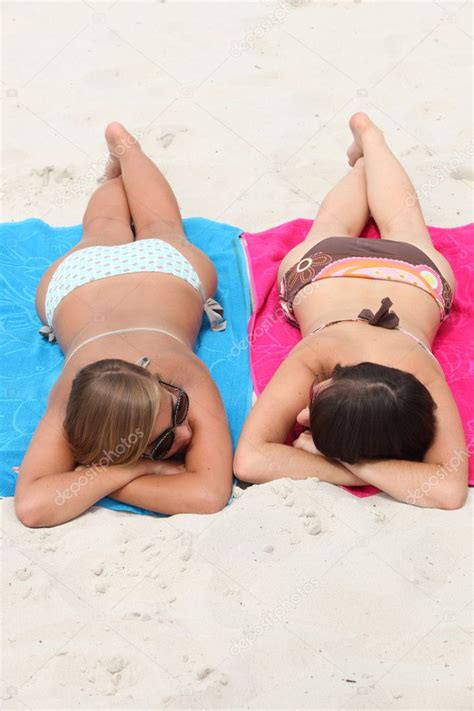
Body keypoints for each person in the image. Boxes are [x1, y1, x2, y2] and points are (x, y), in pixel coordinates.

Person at [235, 113, 468, 510]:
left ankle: (370, 148)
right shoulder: (322, 353)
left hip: (413, 276)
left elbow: (252, 459)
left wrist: (343, 460)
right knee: (337, 224)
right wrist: (352, 464)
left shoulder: (414, 370)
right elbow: (251, 459)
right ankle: (369, 150)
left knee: (400, 223)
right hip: (323, 273)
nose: (303, 410)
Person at [15, 123, 233, 527]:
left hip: (130, 276)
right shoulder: (76, 405)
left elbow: (207, 494)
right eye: (164, 441)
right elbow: (31, 507)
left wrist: (96, 479)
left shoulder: (178, 376)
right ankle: (121, 157)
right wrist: (134, 471)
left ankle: (122, 160)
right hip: (108, 281)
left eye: (178, 410)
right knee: (142, 229)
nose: (187, 434)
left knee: (127, 229)